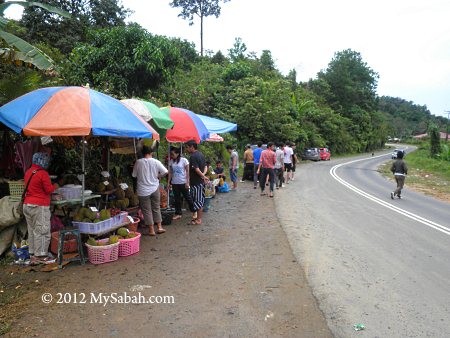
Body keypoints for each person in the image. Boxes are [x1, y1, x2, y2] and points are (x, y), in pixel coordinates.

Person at [23, 152, 58, 265]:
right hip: (39, 206)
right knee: (42, 231)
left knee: (32, 231)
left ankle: (33, 254)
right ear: (44, 161)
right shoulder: (43, 173)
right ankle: (41, 256)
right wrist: (56, 186)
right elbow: (49, 190)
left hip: (27, 205)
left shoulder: (29, 171)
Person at [132, 145, 168, 236]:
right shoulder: (156, 162)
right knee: (156, 207)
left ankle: (151, 230)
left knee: (146, 210)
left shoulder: (138, 162)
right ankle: (159, 227)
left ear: (142, 153)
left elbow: (134, 175)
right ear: (151, 152)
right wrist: (158, 176)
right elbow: (165, 172)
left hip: (142, 190)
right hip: (154, 188)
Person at [185, 140, 209, 225]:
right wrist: (204, 175)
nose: (187, 149)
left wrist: (203, 176)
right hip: (199, 182)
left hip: (196, 182)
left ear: (192, 147)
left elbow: (196, 169)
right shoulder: (201, 154)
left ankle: (198, 220)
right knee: (198, 200)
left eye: (187, 147)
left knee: (198, 200)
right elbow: (206, 166)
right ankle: (196, 218)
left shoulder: (193, 156)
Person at [168, 146, 193, 221]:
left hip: (183, 182)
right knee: (177, 199)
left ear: (177, 153)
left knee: (187, 197)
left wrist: (187, 182)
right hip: (175, 182)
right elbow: (170, 172)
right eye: (171, 154)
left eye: (172, 154)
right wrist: (169, 182)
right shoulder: (171, 161)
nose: (171, 156)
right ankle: (178, 213)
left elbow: (188, 172)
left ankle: (194, 211)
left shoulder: (184, 160)